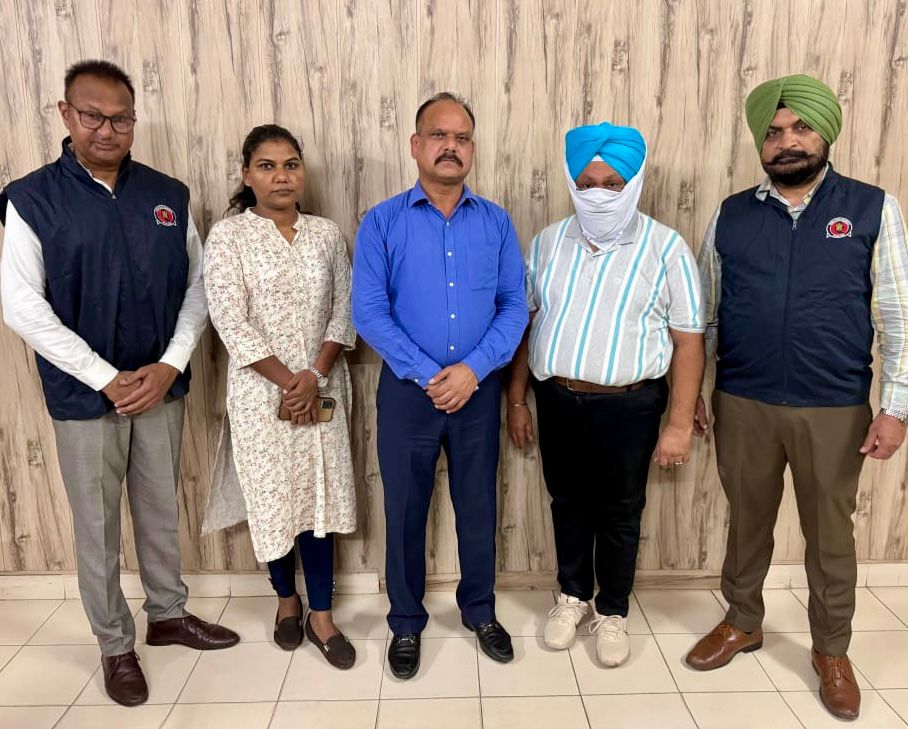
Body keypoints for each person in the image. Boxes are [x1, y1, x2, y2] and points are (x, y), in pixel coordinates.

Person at [0, 59, 239, 707]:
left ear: (135, 120)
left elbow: (199, 286)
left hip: (161, 387)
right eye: (93, 116)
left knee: (161, 510)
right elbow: (21, 305)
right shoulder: (31, 199)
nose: (107, 129)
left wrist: (171, 363)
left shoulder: (168, 195)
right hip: (84, 397)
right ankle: (114, 645)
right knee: (98, 524)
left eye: (121, 118)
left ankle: (168, 614)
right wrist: (106, 378)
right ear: (66, 114)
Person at [686, 74, 908, 721]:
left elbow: (898, 316)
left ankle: (831, 650)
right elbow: (703, 314)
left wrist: (895, 406)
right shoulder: (732, 214)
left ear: (824, 134)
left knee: (830, 535)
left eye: (799, 128)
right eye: (773, 131)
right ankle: (743, 620)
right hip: (743, 400)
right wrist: (693, 391)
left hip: (834, 407)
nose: (786, 141)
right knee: (747, 522)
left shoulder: (872, 208)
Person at [507, 122, 705, 667]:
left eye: (613, 183)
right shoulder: (547, 242)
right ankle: (572, 596)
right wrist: (517, 400)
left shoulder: (666, 248)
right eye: (587, 183)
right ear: (572, 182)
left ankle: (613, 609)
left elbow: (689, 341)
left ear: (634, 183)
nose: (599, 194)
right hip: (558, 398)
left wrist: (678, 424)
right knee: (567, 503)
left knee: (621, 511)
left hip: (632, 404)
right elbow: (525, 325)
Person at [352, 92, 527, 679]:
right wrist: (431, 375)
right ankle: (405, 621)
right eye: (438, 135)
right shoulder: (382, 221)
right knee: (405, 509)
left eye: (462, 137)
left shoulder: (496, 221)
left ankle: (480, 611)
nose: (451, 146)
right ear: (415, 145)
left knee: (478, 506)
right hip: (410, 393)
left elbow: (514, 305)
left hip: (478, 391)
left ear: (472, 149)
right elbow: (369, 312)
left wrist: (473, 370)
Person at [203, 124, 357, 669]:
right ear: (247, 174)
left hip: (323, 390)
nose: (281, 176)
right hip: (258, 397)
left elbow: (344, 310)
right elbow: (229, 319)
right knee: (273, 504)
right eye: (266, 166)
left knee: (318, 501)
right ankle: (286, 601)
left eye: (291, 164)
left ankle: (322, 616)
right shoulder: (229, 238)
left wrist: (313, 375)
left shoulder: (326, 235)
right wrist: (289, 383)